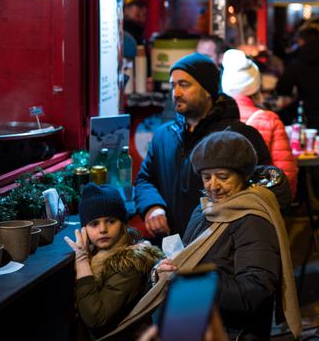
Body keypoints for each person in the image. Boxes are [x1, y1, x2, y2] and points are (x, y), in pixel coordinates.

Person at [108, 133, 302, 341]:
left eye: (223, 177)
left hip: (232, 333)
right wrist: (161, 271)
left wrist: (195, 280)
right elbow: (187, 257)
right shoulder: (204, 209)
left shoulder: (253, 221)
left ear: (243, 175)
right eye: (206, 177)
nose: (213, 186)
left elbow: (255, 293)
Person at [134, 53, 281, 238]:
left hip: (221, 248)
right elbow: (145, 179)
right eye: (173, 85)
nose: (176, 93)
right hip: (171, 248)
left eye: (184, 85)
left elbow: (265, 189)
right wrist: (152, 206)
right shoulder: (163, 136)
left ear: (207, 89)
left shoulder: (238, 136)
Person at [65, 183, 163, 340]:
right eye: (94, 223)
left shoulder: (129, 263)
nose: (103, 229)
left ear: (122, 224)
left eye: (110, 221)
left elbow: (96, 317)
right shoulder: (97, 254)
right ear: (85, 229)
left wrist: (82, 260)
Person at [220, 49, 297, 195]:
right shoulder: (269, 120)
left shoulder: (213, 120)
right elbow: (286, 175)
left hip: (220, 207)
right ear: (256, 87)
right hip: (259, 205)